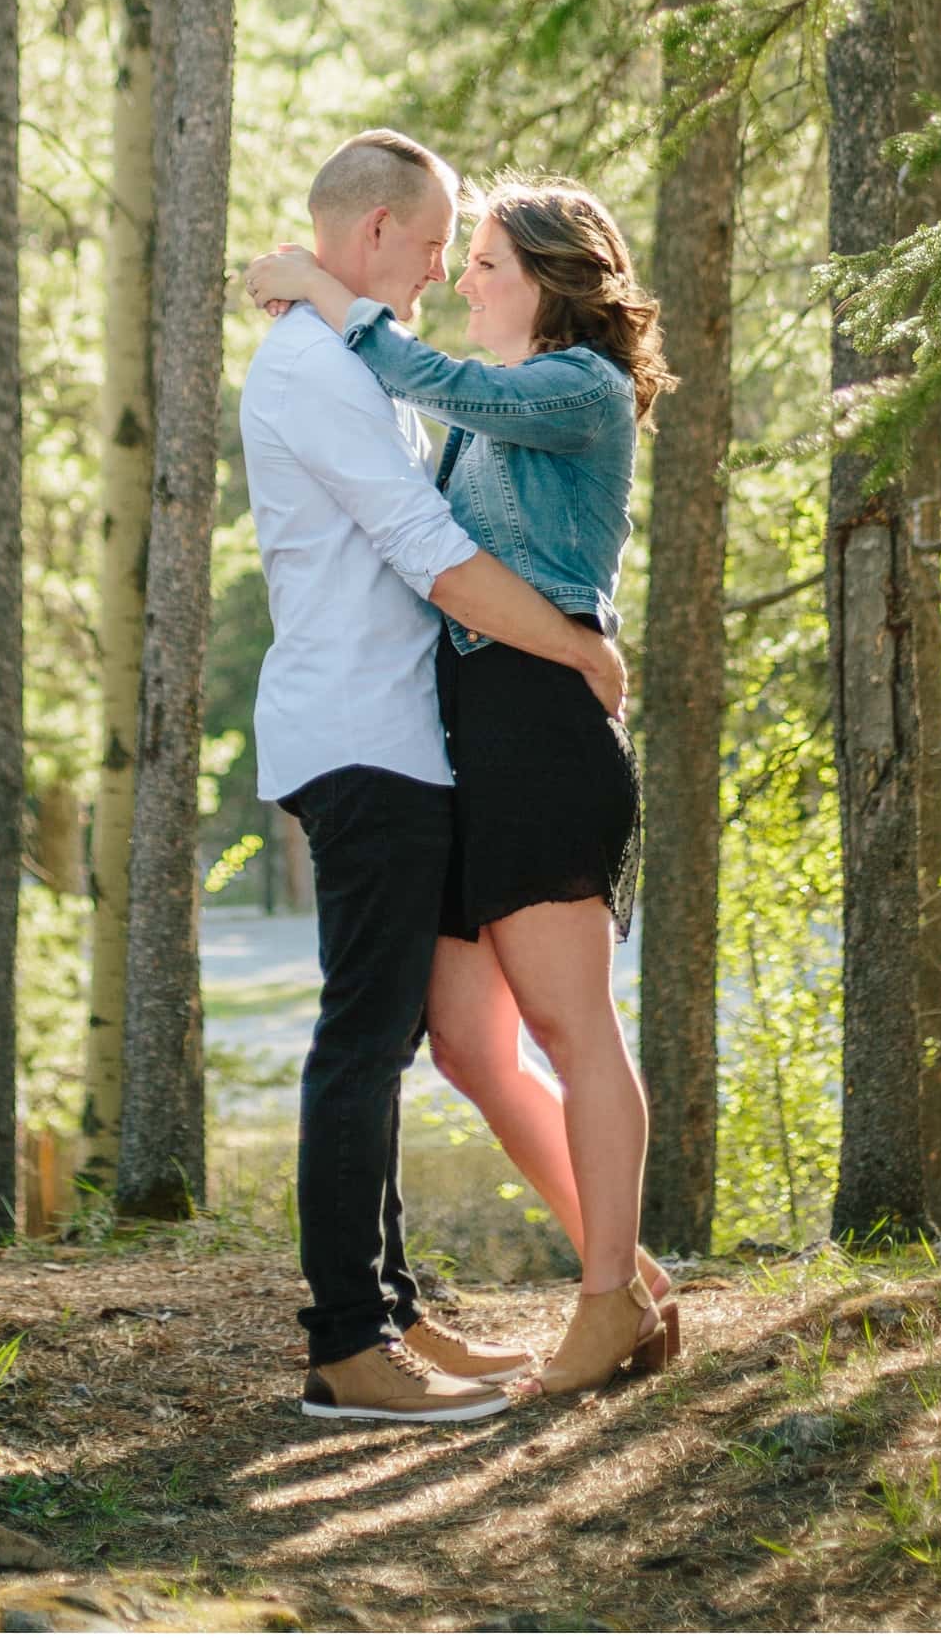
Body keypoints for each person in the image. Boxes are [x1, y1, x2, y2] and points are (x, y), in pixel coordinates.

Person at [246, 173, 680, 1399]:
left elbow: (440, 385)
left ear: (550, 281)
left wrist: (327, 290)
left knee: (569, 1025)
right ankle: (634, 1276)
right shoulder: (497, 418)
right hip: (462, 739)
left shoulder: (573, 389)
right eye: (458, 254)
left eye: (482, 261)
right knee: (471, 1046)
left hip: (538, 732)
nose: (460, 279)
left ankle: (601, 1302)